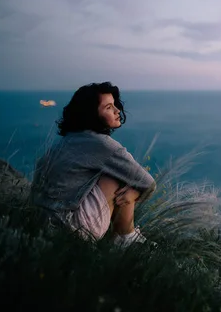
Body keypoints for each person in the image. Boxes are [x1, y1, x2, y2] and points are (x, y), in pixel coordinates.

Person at [30, 82, 156, 247]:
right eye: (109, 107)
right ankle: (125, 240)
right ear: (91, 115)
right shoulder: (103, 145)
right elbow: (148, 183)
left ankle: (122, 237)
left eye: (115, 105)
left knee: (114, 171)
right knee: (120, 175)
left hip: (41, 224)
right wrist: (133, 193)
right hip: (73, 229)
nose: (117, 111)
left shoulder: (66, 140)